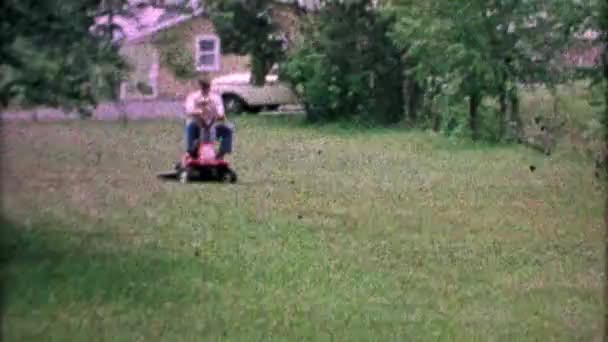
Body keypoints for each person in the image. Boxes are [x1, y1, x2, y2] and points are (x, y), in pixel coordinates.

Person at [183, 79, 234, 160]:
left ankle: (221, 154)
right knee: (190, 126)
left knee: (228, 129)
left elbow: (220, 112)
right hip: (197, 123)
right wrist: (201, 111)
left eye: (206, 87)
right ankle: (190, 152)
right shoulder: (193, 97)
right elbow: (189, 110)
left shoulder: (215, 98)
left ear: (209, 87)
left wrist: (217, 115)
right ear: (200, 87)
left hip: (212, 124)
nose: (205, 89)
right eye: (203, 87)